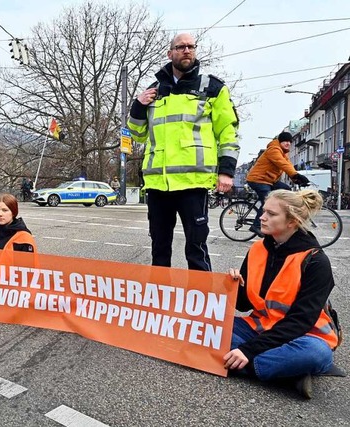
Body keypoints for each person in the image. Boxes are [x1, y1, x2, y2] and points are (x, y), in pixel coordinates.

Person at [127, 33, 240, 271]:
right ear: (170, 54)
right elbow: (138, 135)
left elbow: (228, 132)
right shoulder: (154, 90)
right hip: (159, 184)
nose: (186, 50)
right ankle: (159, 302)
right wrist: (138, 105)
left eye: (190, 46)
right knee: (159, 249)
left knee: (196, 248)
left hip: (193, 182)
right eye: (180, 47)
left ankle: (202, 304)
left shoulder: (212, 88)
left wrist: (226, 171)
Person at [225, 189, 340, 399]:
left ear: (292, 222)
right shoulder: (257, 249)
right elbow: (242, 305)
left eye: (271, 213)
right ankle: (286, 374)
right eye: (263, 211)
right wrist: (235, 286)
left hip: (305, 336)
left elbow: (300, 322)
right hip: (260, 328)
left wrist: (248, 350)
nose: (262, 216)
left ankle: (240, 362)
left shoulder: (316, 262)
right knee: (207, 324)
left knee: (316, 355)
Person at [246, 132, 310, 237]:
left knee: (287, 190)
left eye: (290, 141)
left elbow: (288, 165)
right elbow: (282, 164)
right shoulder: (273, 150)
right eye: (285, 141)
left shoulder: (284, 152)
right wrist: (295, 175)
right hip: (258, 179)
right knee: (267, 200)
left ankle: (281, 213)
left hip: (269, 179)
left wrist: (296, 178)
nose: (288, 143)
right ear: (280, 141)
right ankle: (256, 225)